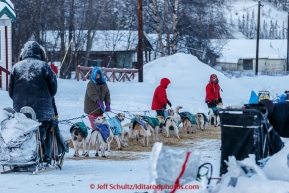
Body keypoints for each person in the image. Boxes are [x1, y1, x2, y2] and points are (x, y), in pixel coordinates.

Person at [8, 41, 57, 164]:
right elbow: (53, 89)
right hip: (42, 109)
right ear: (40, 53)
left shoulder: (16, 67)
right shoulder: (44, 66)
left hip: (20, 109)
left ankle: (21, 155)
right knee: (43, 130)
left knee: (22, 131)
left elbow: (11, 91)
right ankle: (44, 155)